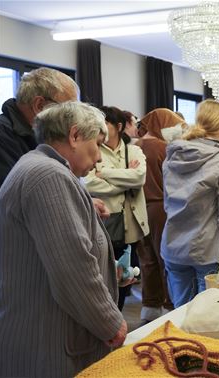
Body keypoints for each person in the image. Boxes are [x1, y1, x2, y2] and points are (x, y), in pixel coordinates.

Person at [0, 102, 126, 377]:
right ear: (75, 136)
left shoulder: (37, 167)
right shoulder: (48, 176)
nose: (100, 158)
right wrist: (110, 323)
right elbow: (72, 267)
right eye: (97, 144)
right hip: (47, 342)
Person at [162, 99, 219, 307]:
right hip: (208, 254)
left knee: (180, 315)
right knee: (209, 320)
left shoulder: (174, 156)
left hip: (173, 248)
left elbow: (169, 203)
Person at [85, 105, 149, 310]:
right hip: (104, 220)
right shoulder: (93, 148)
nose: (98, 126)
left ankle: (117, 314)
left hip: (129, 223)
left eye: (105, 122)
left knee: (124, 272)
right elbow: (88, 182)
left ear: (118, 126)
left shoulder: (134, 149)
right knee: (102, 272)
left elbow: (139, 178)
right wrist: (124, 179)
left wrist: (105, 173)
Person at [134, 108, 184, 322]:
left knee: (147, 260)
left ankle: (150, 303)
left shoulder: (135, 147)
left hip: (137, 207)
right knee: (166, 258)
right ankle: (169, 305)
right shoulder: (164, 148)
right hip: (161, 208)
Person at [0, 67, 78, 194]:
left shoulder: (41, 134)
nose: (72, 119)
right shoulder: (1, 136)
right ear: (39, 105)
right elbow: (20, 195)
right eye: (67, 110)